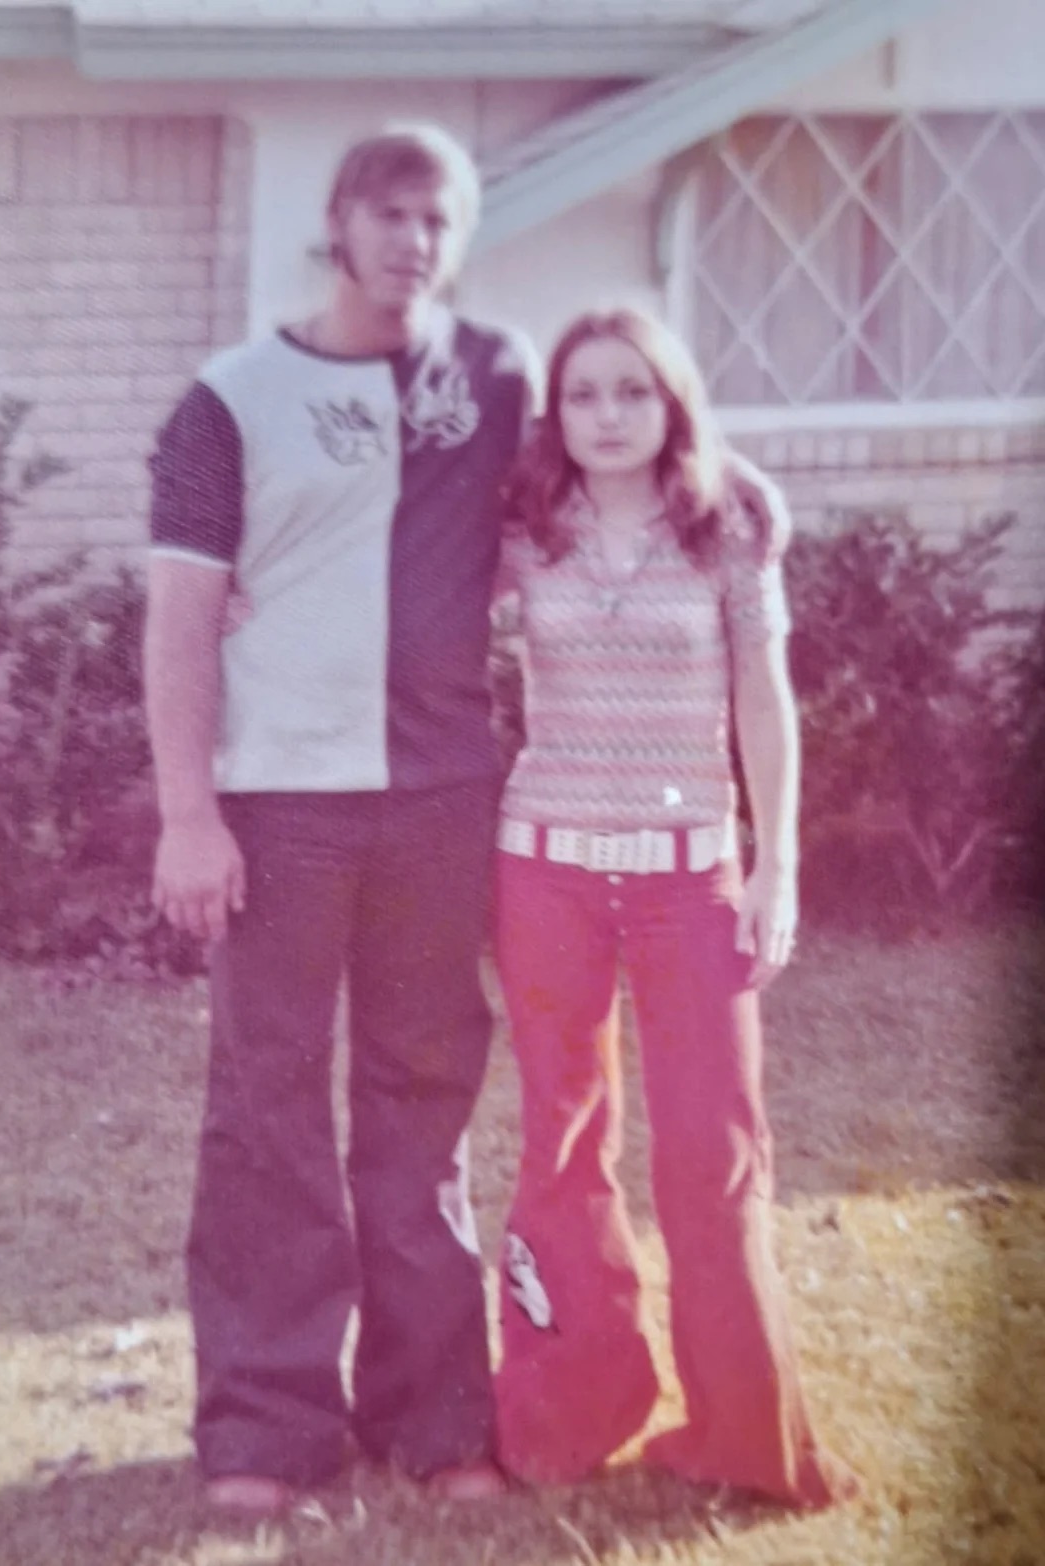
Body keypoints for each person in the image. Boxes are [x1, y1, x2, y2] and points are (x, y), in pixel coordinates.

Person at [144, 122, 537, 1518]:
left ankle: (435, 1419)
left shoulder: (498, 380)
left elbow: (584, 507)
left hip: (438, 799)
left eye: (441, 218)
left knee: (423, 1102)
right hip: (279, 797)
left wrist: (725, 505)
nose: (415, 241)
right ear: (338, 221)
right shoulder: (229, 399)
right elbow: (183, 612)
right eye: (391, 214)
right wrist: (188, 813)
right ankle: (265, 1422)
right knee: (266, 1107)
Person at [490, 306, 861, 1510]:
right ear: (558, 413)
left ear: (672, 404)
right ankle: (570, 1412)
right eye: (583, 395)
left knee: (714, 1150)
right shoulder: (522, 526)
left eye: (632, 393)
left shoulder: (728, 518)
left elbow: (765, 696)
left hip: (688, 876)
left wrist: (777, 861)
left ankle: (746, 1435)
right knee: (560, 1135)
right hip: (542, 868)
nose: (607, 416)